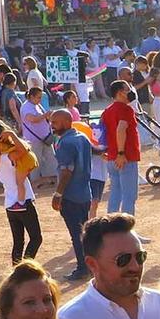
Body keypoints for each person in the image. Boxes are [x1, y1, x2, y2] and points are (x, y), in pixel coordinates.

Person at [0, 119, 44, 265]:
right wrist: (12, 134)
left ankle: (16, 269)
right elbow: (25, 149)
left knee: (18, 242)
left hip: (9, 204)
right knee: (36, 238)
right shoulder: (9, 156)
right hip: (23, 203)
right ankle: (24, 268)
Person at [49, 109, 98, 279]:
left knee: (76, 236)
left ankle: (83, 268)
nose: (52, 126)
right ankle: (89, 267)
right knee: (83, 234)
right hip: (85, 194)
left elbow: (66, 171)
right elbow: (95, 151)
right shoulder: (81, 137)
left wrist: (58, 193)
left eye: (54, 122)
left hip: (71, 196)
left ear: (64, 122)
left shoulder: (66, 143)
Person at [101, 81, 142, 217]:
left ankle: (110, 228)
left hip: (111, 157)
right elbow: (121, 129)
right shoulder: (126, 109)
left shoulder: (107, 111)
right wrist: (121, 153)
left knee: (115, 194)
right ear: (120, 92)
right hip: (125, 157)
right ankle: (127, 231)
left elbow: (100, 133)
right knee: (129, 196)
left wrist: (105, 151)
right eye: (127, 89)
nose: (130, 91)